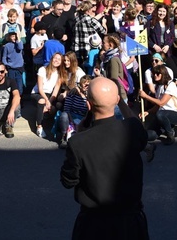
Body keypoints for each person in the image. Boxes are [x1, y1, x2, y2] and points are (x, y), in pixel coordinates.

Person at [60, 77, 149, 240]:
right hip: (130, 223)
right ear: (116, 100)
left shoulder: (78, 142)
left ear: (89, 104)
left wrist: (81, 131)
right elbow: (136, 124)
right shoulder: (133, 130)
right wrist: (120, 102)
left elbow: (68, 180)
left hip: (93, 224)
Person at [138, 65, 177, 144]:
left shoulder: (170, 85)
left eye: (158, 73)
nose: (155, 75)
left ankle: (170, 134)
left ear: (163, 74)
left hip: (176, 114)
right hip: (162, 114)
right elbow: (158, 105)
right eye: (154, 73)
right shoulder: (158, 87)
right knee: (149, 135)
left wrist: (145, 96)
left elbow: (161, 102)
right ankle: (164, 128)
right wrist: (148, 112)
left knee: (160, 114)